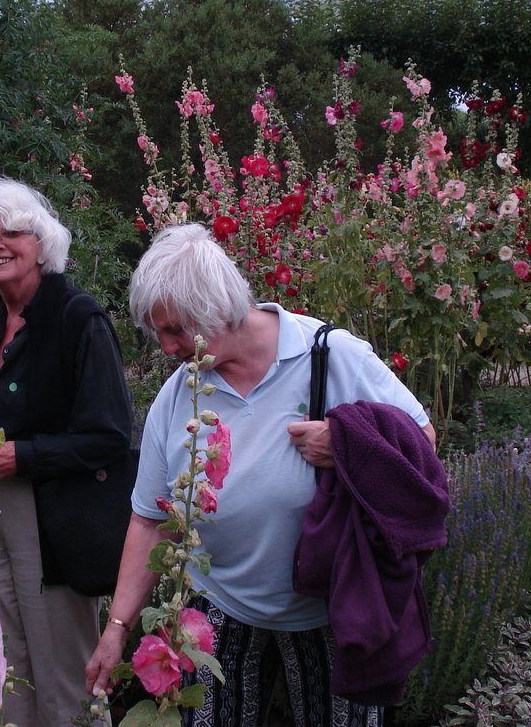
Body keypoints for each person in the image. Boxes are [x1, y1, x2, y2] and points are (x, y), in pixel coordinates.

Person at [85, 224, 436, 727]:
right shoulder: (181, 394)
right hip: (220, 608)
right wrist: (118, 627)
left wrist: (345, 444)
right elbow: (150, 520)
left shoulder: (328, 354)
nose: (165, 347)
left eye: (176, 330)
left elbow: (422, 442)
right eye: (157, 331)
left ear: (217, 308)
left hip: (330, 610)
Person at [0, 176, 134, 727]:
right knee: (3, 671)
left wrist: (24, 456)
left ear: (41, 243)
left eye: (10, 233)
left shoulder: (78, 318)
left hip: (54, 525)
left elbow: (110, 435)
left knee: (65, 682)